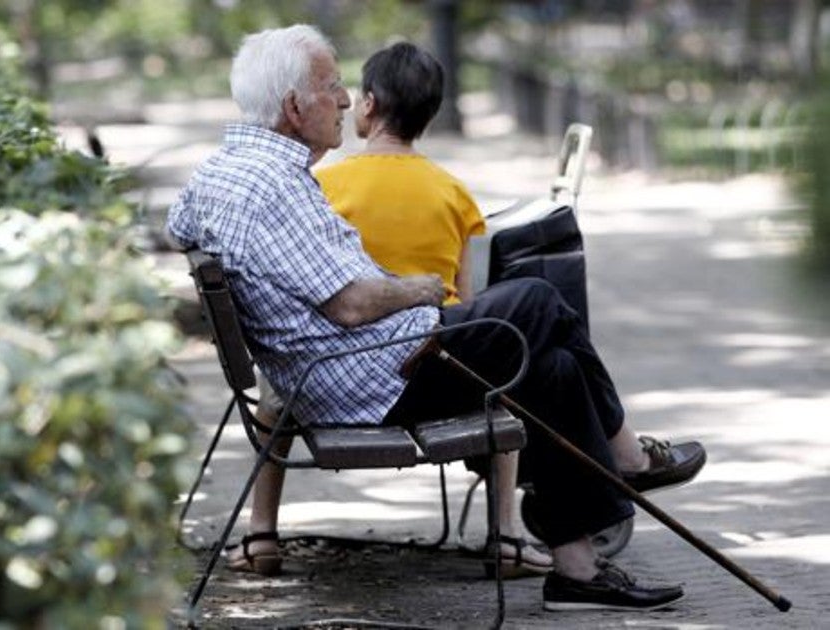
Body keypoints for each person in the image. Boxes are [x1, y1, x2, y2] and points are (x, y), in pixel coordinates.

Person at [169, 24, 701, 611]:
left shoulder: (223, 173)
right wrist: (418, 289)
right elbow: (347, 305)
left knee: (551, 369)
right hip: (372, 378)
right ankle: (628, 457)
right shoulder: (273, 187)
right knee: (540, 299)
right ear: (295, 106)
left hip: (354, 367)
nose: (346, 99)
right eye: (332, 86)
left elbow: (179, 226)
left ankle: (576, 571)